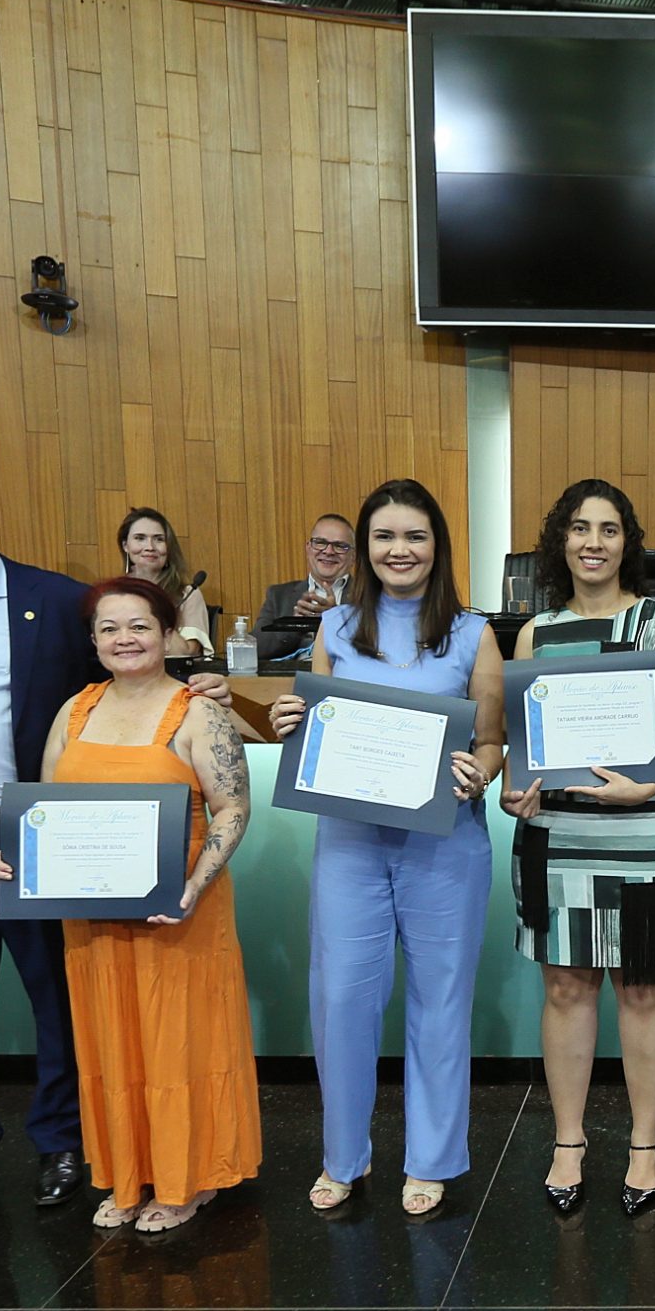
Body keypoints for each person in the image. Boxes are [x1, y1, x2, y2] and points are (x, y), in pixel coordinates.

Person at [0, 454, 225, 1220]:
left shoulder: (49, 599)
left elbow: (125, 669)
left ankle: (62, 1141)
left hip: (38, 835)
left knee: (56, 994)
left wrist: (203, 682)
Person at [0, 576, 262, 1235]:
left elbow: (233, 807)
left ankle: (189, 1179)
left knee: (178, 1042)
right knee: (112, 1044)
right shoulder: (74, 711)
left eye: (139, 625)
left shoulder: (199, 712)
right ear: (93, 641)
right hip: (92, 919)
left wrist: (193, 884)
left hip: (181, 911)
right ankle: (129, 1173)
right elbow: (48, 808)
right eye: (109, 628)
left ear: (167, 633)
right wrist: (17, 857)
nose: (124, 639)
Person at [270, 479, 505, 1218]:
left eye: (414, 536)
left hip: (445, 842)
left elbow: (492, 742)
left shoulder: (473, 632)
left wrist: (480, 772)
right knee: (341, 997)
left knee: (440, 1000)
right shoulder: (335, 626)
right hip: (350, 842)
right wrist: (289, 721)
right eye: (384, 536)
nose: (399, 550)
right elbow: (314, 723)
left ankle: (431, 1157)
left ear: (437, 546)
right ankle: (344, 1154)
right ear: (364, 548)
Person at [501, 479, 655, 1219]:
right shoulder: (535, 633)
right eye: (581, 528)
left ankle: (645, 1144)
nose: (594, 542)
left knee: (645, 988)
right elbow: (522, 751)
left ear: (628, 542)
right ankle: (569, 1141)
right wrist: (515, 790)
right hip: (559, 837)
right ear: (561, 540)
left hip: (648, 833)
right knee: (566, 988)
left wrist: (645, 786)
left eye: (609, 529)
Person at [254, 514, 358, 664]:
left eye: (340, 546)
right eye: (320, 543)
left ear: (353, 556)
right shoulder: (278, 595)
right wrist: (295, 626)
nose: (329, 551)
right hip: (289, 677)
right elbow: (256, 649)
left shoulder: (371, 596)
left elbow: (380, 650)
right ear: (308, 548)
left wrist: (336, 619)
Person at [113, 506, 212, 658]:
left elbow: (187, 652)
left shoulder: (187, 594)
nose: (150, 547)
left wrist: (154, 612)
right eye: (140, 538)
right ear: (126, 546)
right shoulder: (112, 595)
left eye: (159, 539)